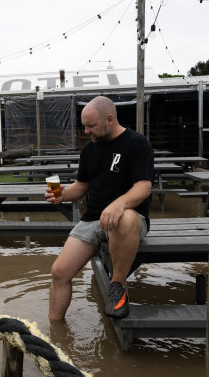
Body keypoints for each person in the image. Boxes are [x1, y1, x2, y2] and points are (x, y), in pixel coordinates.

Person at [45, 96, 154, 320]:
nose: (86, 131)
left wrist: (118, 204)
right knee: (59, 273)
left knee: (123, 218)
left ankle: (118, 286)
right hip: (92, 220)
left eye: (91, 126)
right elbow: (82, 186)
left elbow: (144, 186)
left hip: (129, 219)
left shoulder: (137, 143)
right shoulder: (89, 150)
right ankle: (54, 332)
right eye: (84, 125)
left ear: (110, 119)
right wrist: (62, 194)